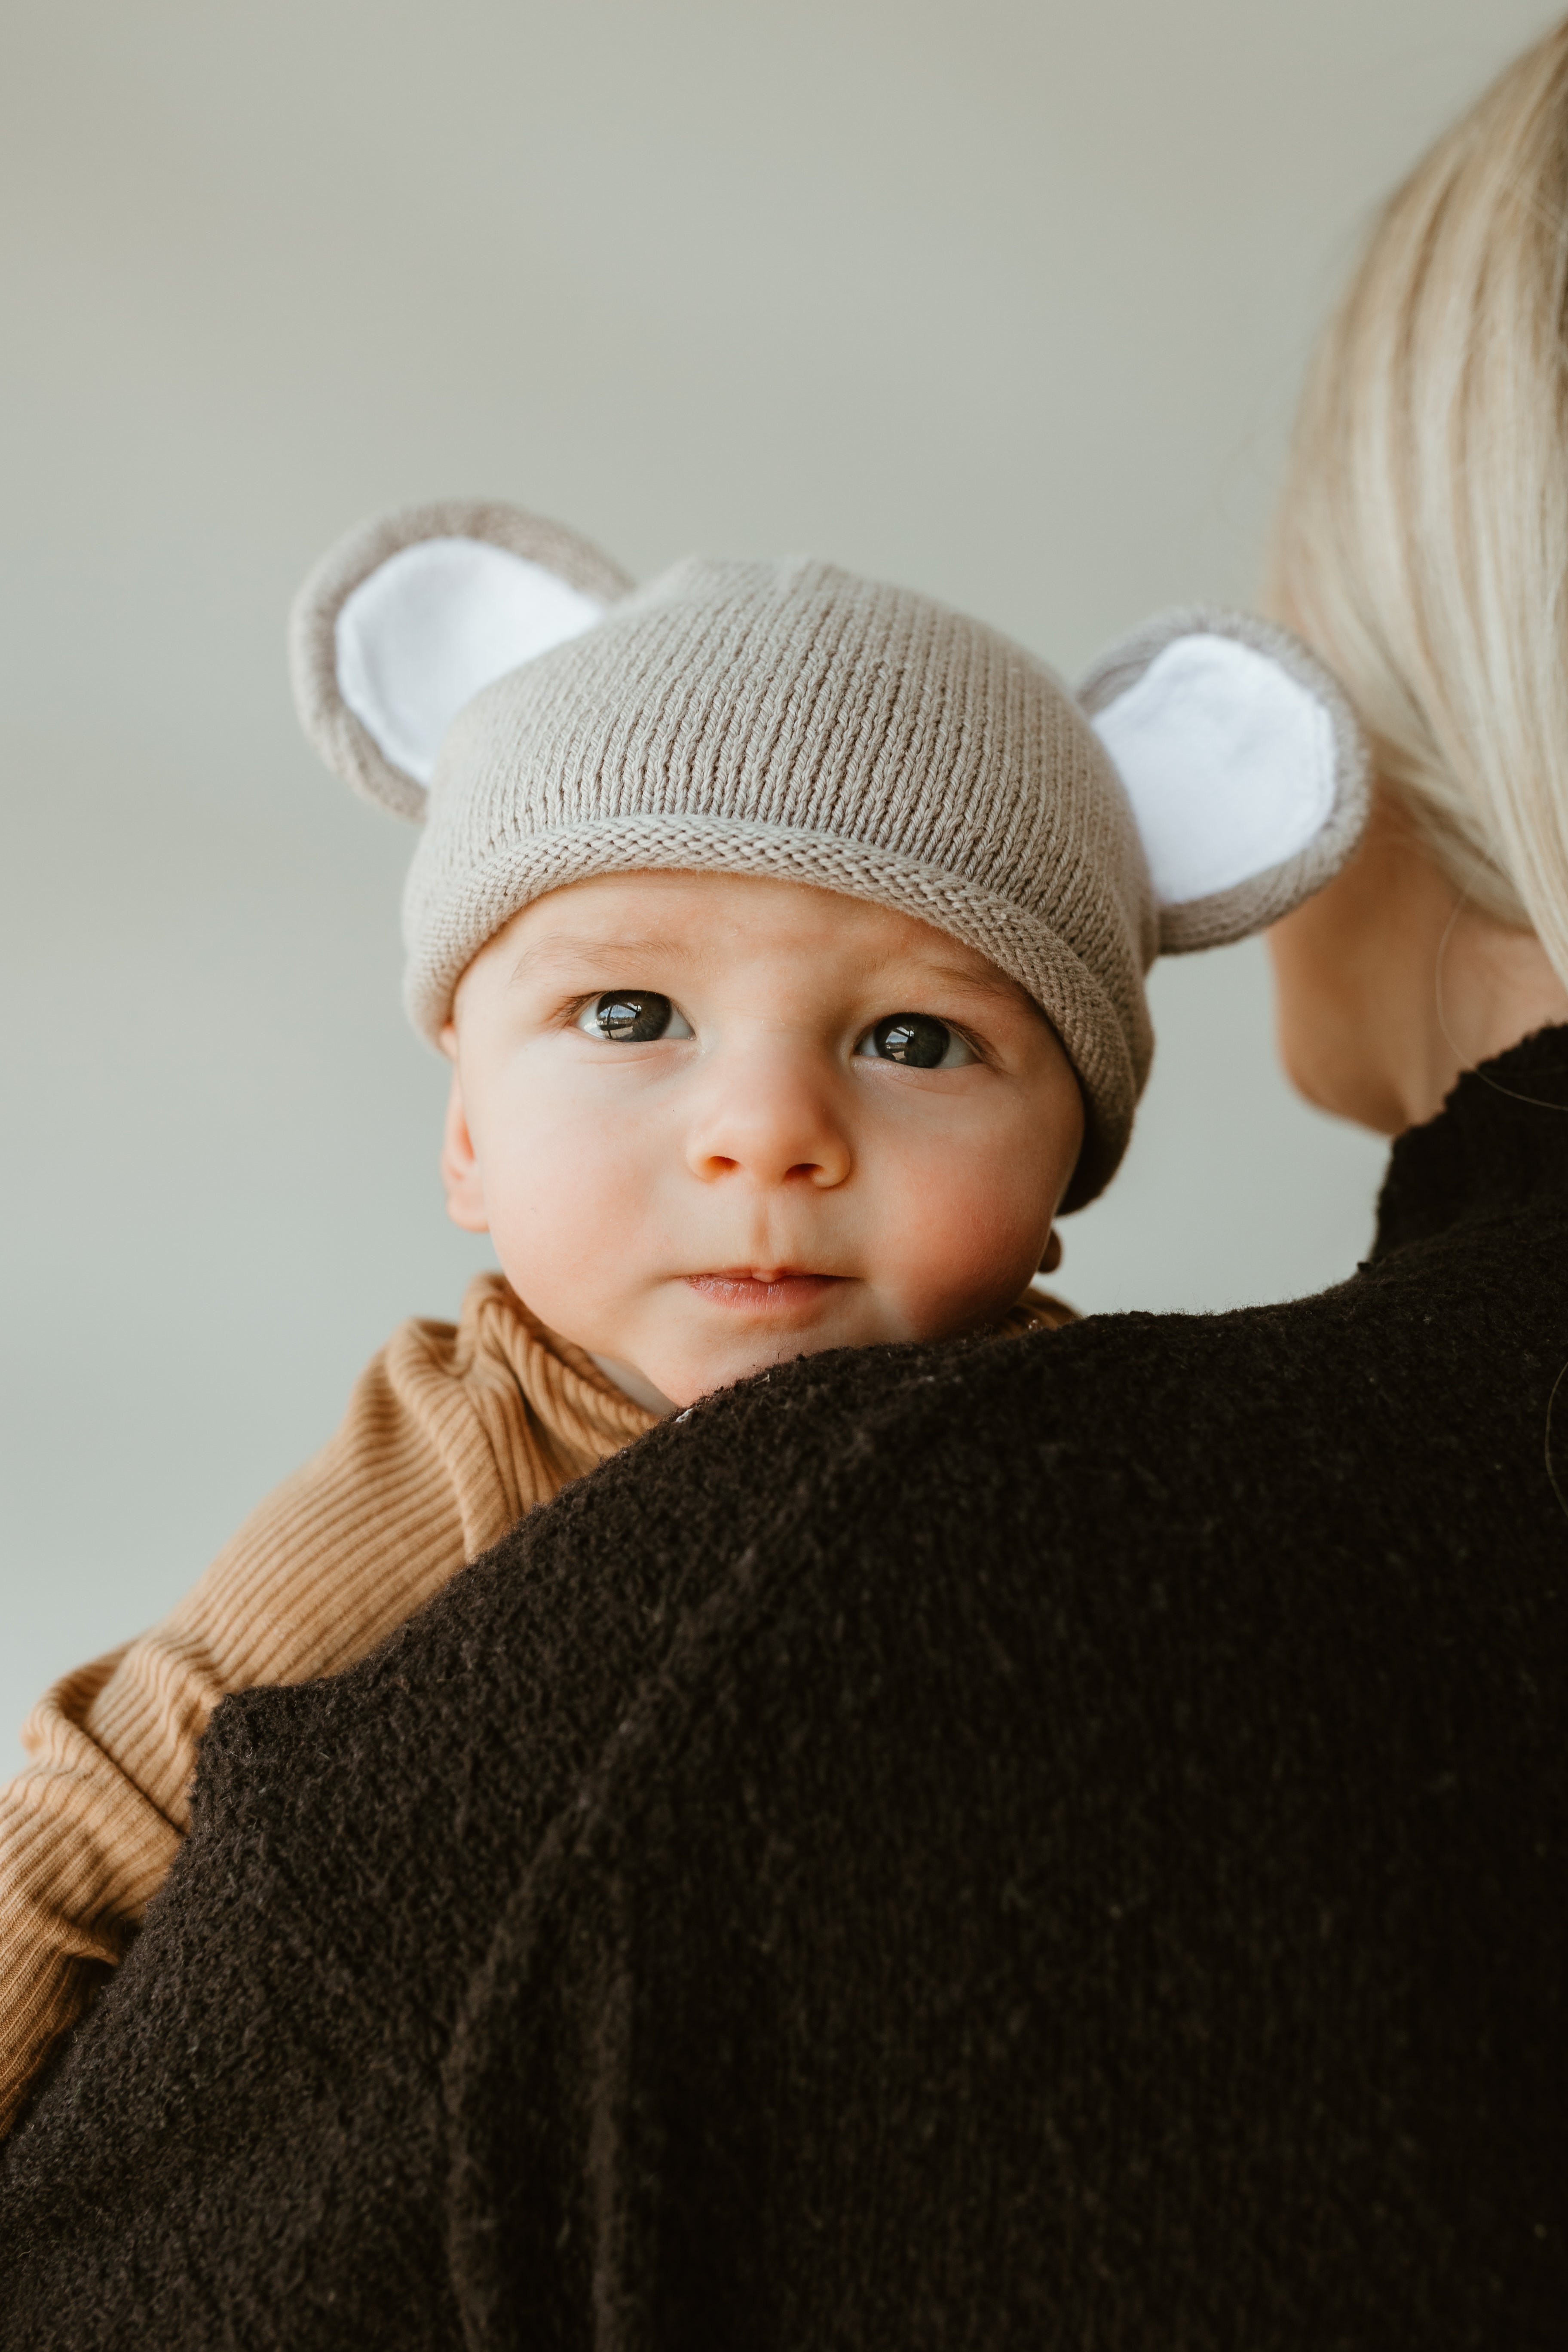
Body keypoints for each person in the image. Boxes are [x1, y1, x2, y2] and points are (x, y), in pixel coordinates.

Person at [0, 506, 1363, 2141]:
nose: (766, 1134)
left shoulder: (1116, 1460)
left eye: (916, 1041)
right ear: (467, 1137)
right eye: (632, 1013)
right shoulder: (458, 1456)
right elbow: (106, 1814)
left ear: (1069, 1152)